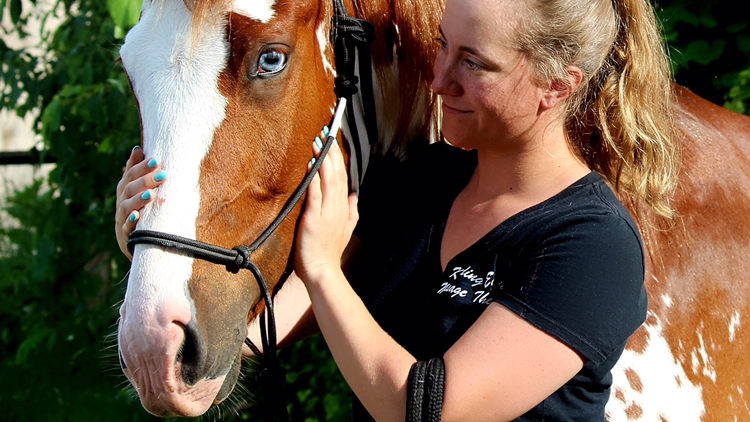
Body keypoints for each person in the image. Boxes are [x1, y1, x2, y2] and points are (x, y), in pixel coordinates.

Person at [115, 0, 679, 420]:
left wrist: (323, 271)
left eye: (474, 64)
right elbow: (255, 332)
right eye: (442, 46)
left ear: (557, 85)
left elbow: (424, 409)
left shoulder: (592, 247)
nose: (437, 79)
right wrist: (158, 252)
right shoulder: (420, 183)